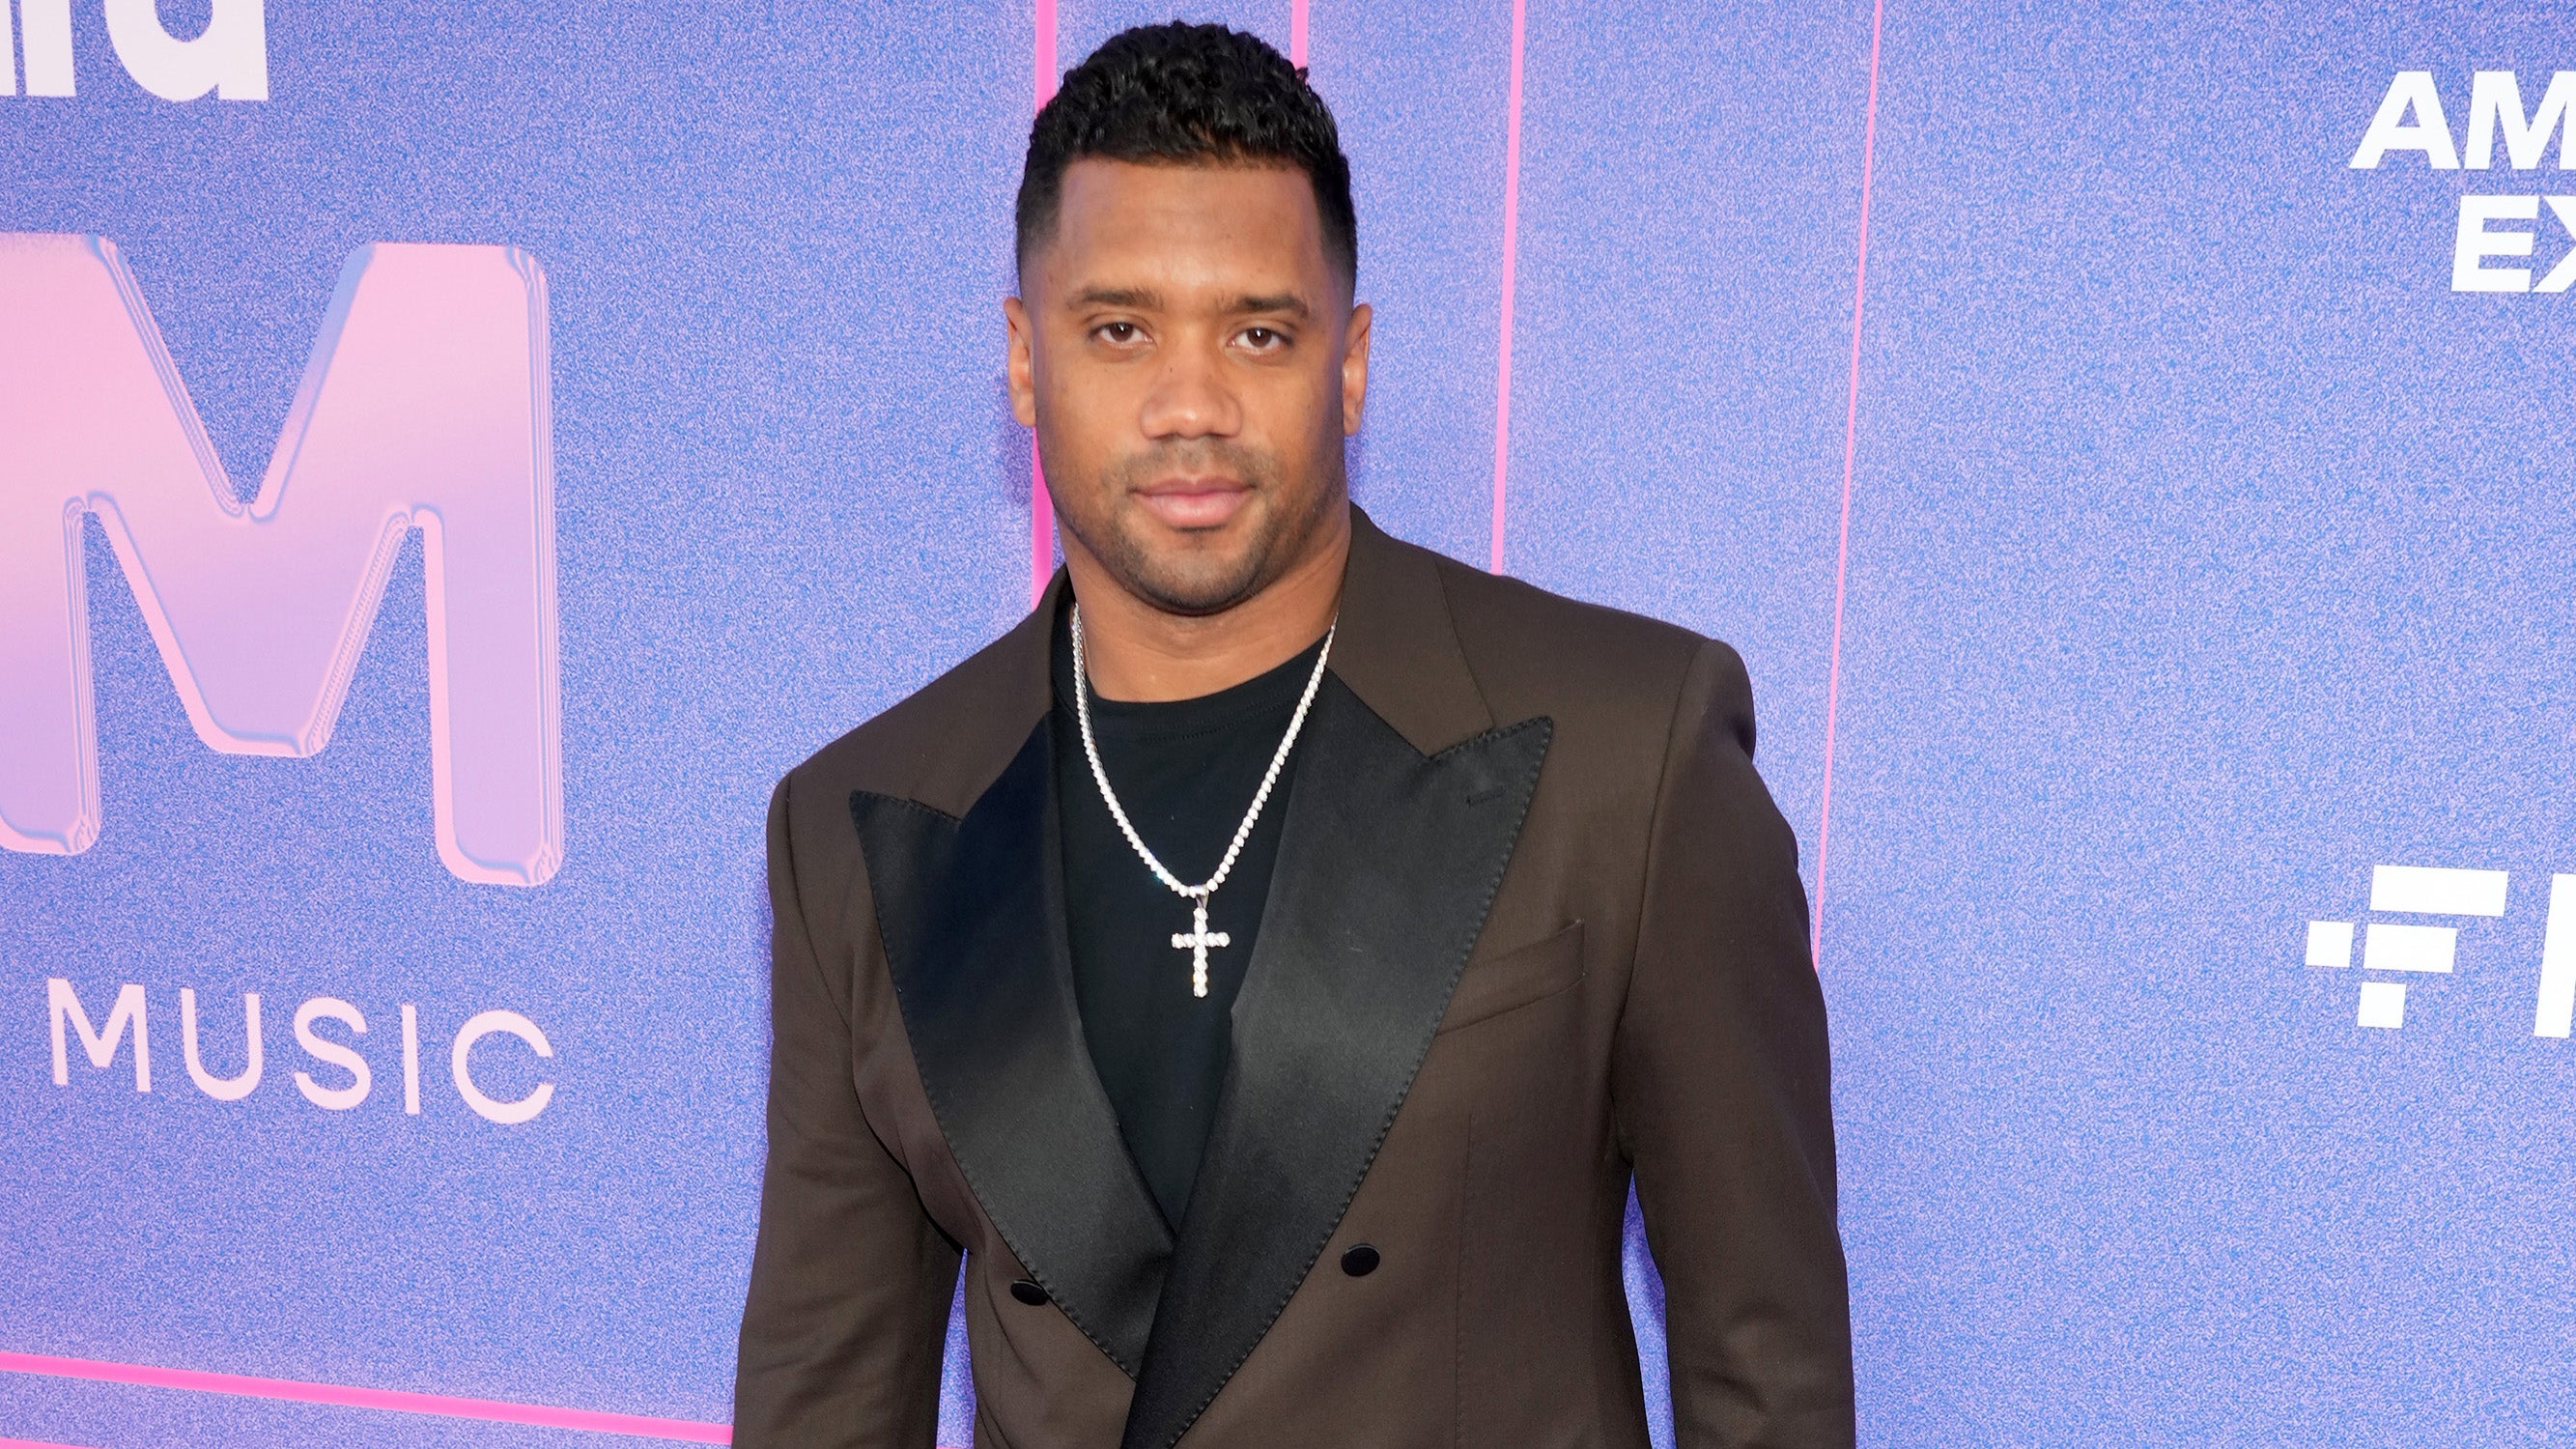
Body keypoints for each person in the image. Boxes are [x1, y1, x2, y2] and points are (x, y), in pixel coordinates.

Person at [734, 22, 1852, 1448]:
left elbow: (1769, 1375)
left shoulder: (1628, 752)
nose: (1190, 406)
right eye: (1118, 328)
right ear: (1024, 359)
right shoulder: (857, 820)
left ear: (1353, 361)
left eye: (1258, 332)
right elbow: (823, 1399)